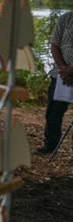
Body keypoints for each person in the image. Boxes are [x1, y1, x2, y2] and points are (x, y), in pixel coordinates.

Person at [37, 10, 73, 155]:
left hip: (68, 73)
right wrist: (64, 68)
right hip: (61, 74)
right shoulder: (66, 18)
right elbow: (55, 44)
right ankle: (50, 144)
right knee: (53, 113)